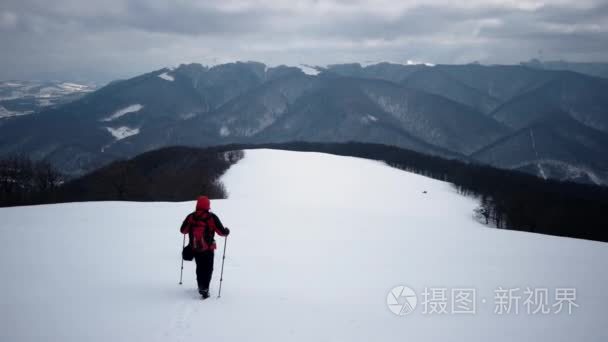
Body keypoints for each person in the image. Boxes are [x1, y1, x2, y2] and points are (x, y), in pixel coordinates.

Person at [180, 195, 230, 298]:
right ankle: (204, 289)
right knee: (208, 269)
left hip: (195, 248)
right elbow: (221, 232)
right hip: (208, 249)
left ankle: (200, 286)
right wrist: (226, 232)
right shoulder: (211, 217)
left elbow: (183, 231)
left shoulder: (191, 216)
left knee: (199, 268)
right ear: (208, 206)